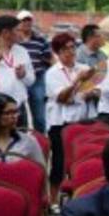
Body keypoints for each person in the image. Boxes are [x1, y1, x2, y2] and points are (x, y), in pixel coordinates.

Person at [43, 33, 98, 186]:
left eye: (72, 47)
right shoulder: (52, 73)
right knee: (59, 162)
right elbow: (62, 98)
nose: (70, 52)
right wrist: (78, 81)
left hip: (83, 119)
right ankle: (54, 200)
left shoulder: (85, 68)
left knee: (81, 160)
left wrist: (93, 92)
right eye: (65, 49)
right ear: (57, 52)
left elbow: (95, 89)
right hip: (59, 122)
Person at [18, 10, 51, 132]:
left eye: (28, 20)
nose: (26, 23)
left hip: (37, 78)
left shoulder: (40, 39)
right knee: (19, 113)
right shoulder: (15, 40)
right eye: (23, 21)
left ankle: (41, 139)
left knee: (39, 116)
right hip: (19, 79)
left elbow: (48, 58)